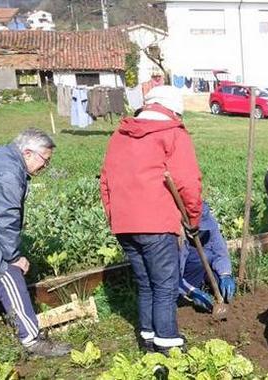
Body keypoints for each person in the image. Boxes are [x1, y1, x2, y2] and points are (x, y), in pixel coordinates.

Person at [100, 85, 203, 354]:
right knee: (165, 286)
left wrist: (115, 216)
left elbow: (105, 181)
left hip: (124, 223)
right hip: (156, 223)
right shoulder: (173, 133)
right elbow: (188, 183)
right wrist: (193, 219)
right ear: (173, 110)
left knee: (146, 284)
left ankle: (147, 336)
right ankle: (167, 342)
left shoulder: (120, 134)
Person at [0, 129, 71, 357]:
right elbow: (5, 219)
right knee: (7, 273)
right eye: (44, 160)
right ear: (27, 153)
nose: (45, 167)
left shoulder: (0, 155)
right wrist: (13, 257)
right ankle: (32, 340)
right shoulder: (9, 173)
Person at [179, 201, 236, 312]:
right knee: (201, 258)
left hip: (205, 270)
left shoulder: (210, 224)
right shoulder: (177, 235)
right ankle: (189, 294)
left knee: (220, 281)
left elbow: (220, 252)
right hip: (185, 277)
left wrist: (225, 274)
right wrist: (190, 291)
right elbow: (171, 276)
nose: (202, 231)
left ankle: (210, 287)